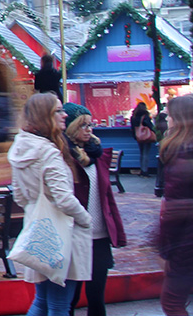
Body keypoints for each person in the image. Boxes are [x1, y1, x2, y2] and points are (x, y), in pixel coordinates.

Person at [8, 92, 92, 316]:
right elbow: (63, 198)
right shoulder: (49, 152)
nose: (64, 115)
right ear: (45, 116)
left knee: (42, 301)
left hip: (39, 230)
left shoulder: (20, 147)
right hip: (63, 234)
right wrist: (86, 219)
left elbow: (19, 196)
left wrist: (37, 204)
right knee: (59, 306)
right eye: (58, 111)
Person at [63, 103, 126, 316]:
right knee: (69, 297)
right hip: (76, 234)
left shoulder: (98, 155)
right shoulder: (65, 157)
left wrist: (115, 227)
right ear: (71, 128)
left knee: (97, 297)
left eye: (91, 125)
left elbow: (107, 197)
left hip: (99, 235)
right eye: (83, 125)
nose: (89, 130)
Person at [157, 95, 193, 315]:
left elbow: (174, 211)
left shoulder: (181, 155)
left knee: (172, 301)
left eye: (169, 116)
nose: (166, 120)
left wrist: (165, 250)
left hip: (185, 243)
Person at [131, 101, 156, 177]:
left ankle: (142, 169)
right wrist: (155, 131)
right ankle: (145, 171)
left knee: (142, 153)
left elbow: (132, 128)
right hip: (146, 136)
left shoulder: (133, 117)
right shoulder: (145, 116)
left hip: (138, 137)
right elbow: (150, 125)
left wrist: (135, 136)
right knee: (146, 153)